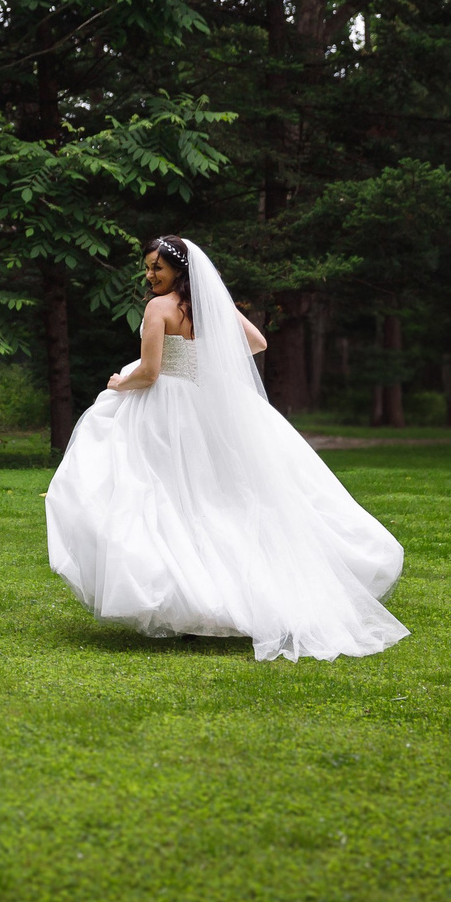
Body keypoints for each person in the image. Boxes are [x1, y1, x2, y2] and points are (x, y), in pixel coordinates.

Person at [46, 235, 408, 662]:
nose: (149, 276)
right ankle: (229, 595)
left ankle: (194, 599)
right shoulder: (210, 306)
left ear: (178, 269)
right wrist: (210, 360)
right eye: (147, 268)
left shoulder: (157, 309)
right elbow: (257, 343)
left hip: (165, 412)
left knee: (167, 500)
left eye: (156, 268)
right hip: (208, 406)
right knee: (218, 499)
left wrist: (116, 384)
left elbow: (149, 372)